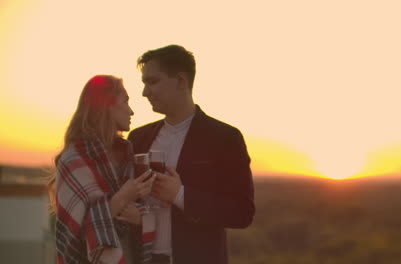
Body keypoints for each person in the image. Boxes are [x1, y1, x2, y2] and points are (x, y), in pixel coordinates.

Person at [128, 45, 255, 264]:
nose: (144, 92)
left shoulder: (225, 137)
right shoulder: (137, 138)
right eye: (144, 83)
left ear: (180, 81)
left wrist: (180, 195)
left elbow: (242, 212)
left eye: (153, 82)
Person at [48, 75, 157, 263]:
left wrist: (139, 218)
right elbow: (77, 229)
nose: (132, 112)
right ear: (107, 105)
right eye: (126, 101)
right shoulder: (74, 160)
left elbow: (141, 210)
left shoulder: (128, 155)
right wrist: (124, 196)